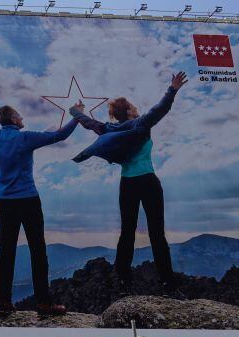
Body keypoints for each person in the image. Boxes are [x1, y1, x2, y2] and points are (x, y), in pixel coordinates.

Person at [0, 102, 83, 316]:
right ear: (13, 120)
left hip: (4, 202)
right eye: (20, 116)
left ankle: (4, 302)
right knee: (37, 251)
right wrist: (77, 117)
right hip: (28, 199)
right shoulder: (25, 137)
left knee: (7, 252)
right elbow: (60, 136)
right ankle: (44, 303)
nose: (22, 119)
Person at [70, 72, 188, 288]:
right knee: (156, 233)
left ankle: (123, 281)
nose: (137, 108)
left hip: (128, 184)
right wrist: (172, 89)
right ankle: (167, 282)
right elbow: (159, 109)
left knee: (127, 232)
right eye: (133, 106)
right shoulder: (140, 124)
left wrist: (75, 111)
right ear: (130, 111)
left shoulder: (108, 129)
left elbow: (87, 123)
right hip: (148, 182)